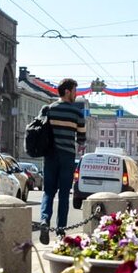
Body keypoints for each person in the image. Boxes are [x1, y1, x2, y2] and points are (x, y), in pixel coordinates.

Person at [38, 78, 86, 244]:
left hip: (50, 156)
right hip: (67, 157)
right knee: (64, 194)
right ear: (67, 91)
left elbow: (39, 129)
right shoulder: (77, 113)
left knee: (48, 192)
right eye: (74, 91)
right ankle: (60, 231)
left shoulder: (48, 109)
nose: (76, 94)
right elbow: (81, 139)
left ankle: (44, 221)